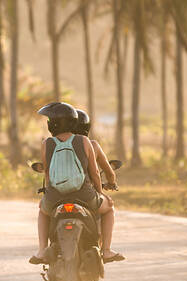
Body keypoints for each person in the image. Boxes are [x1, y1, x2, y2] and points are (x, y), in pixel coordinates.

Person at [30, 102, 123, 265]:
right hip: (84, 196)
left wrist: (51, 191)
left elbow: (47, 172)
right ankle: (107, 250)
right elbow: (94, 172)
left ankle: (42, 250)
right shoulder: (85, 141)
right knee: (109, 207)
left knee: (42, 211)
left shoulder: (47, 144)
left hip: (55, 198)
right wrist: (99, 192)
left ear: (53, 124)